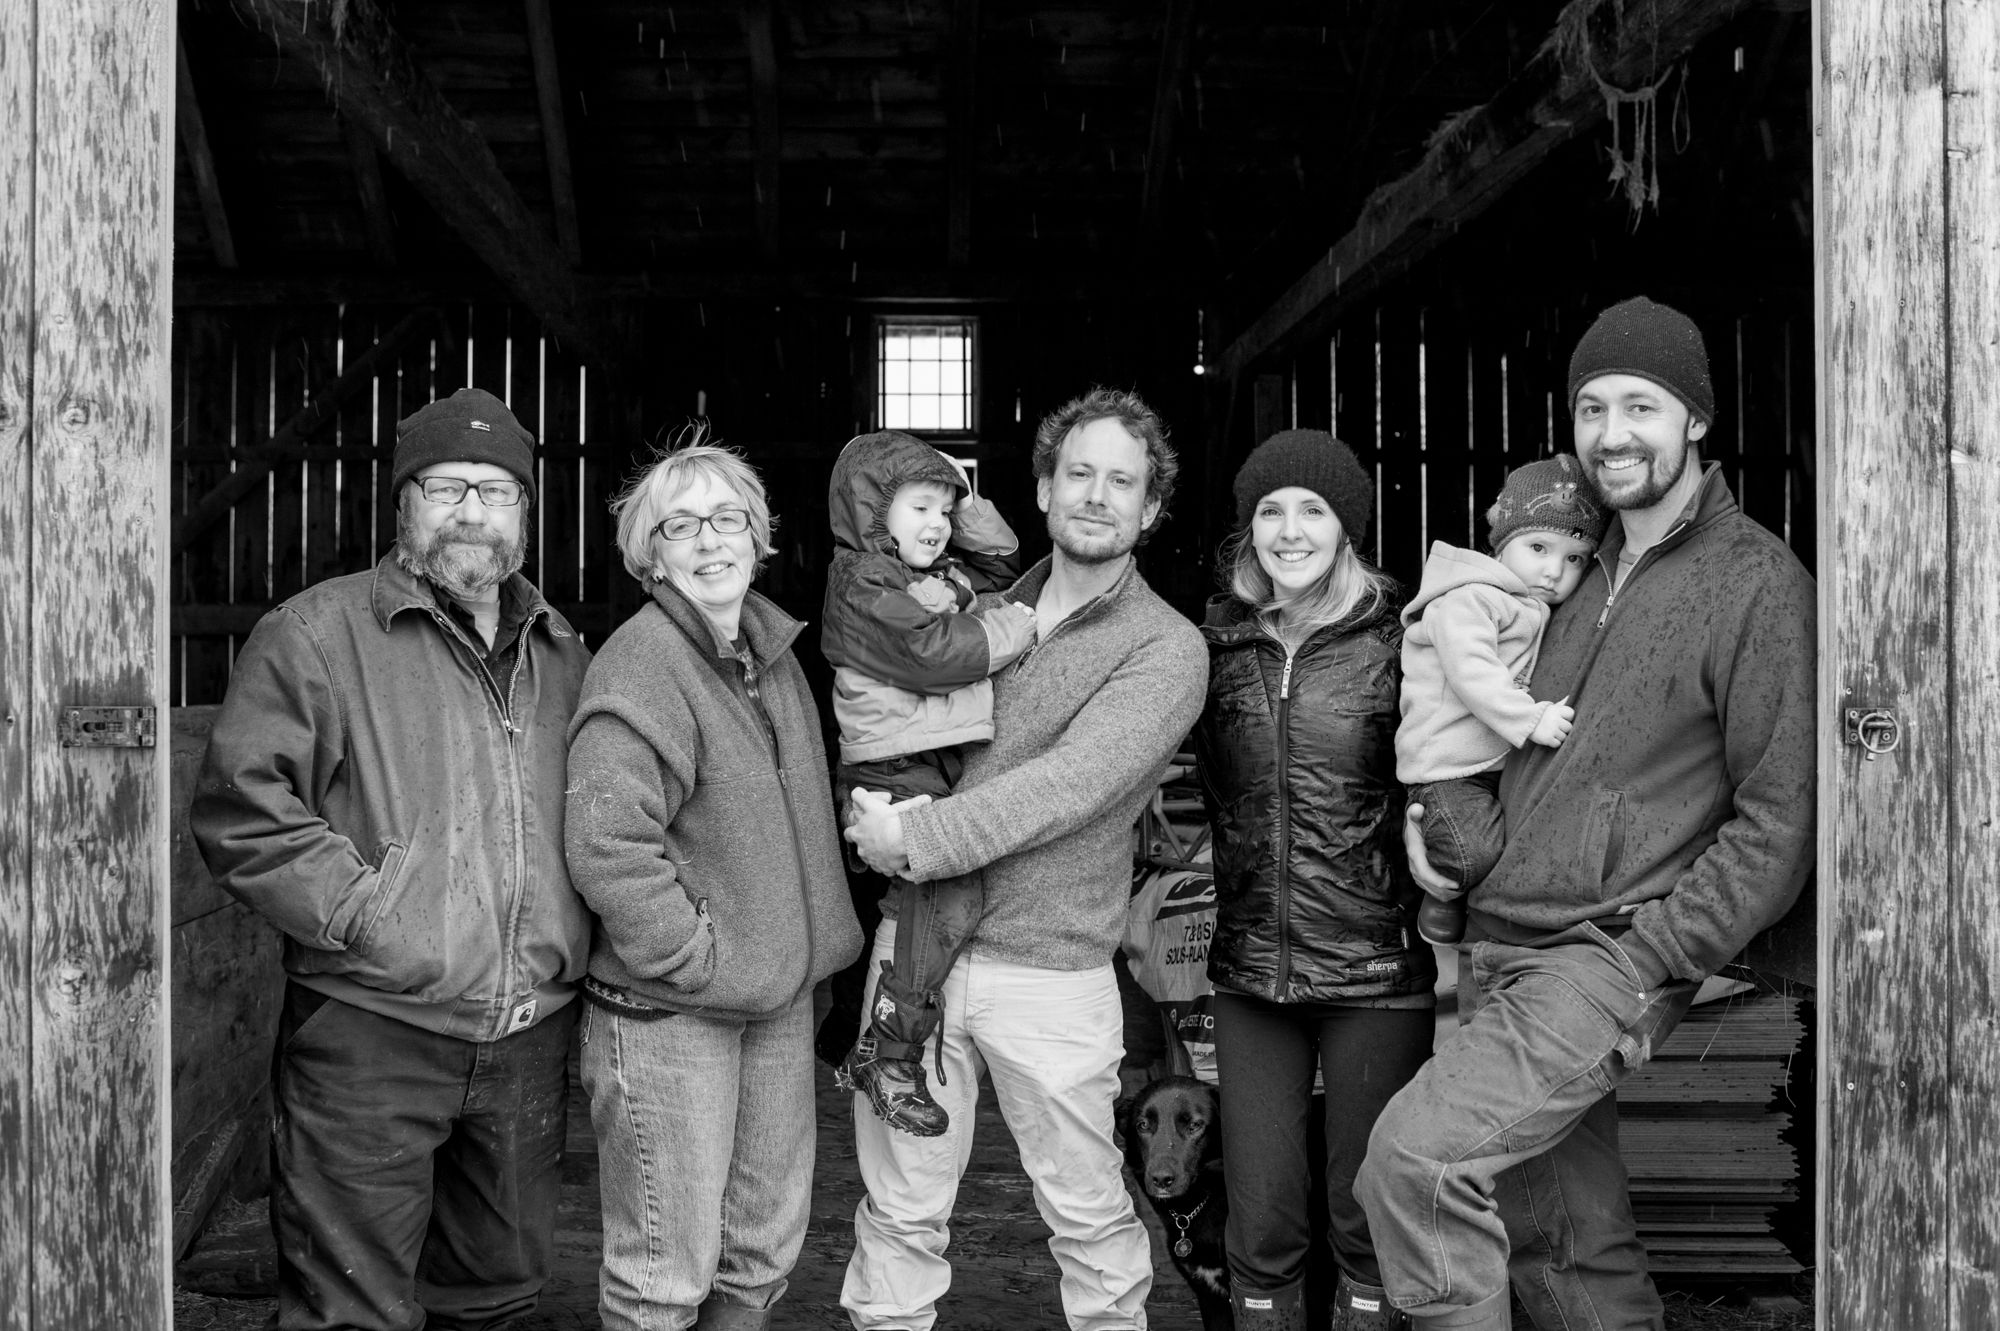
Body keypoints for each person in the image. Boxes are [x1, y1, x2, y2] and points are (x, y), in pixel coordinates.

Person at [1354, 296, 1817, 1331]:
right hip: (1500, 939)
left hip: (1603, 953)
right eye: (1592, 407)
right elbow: (1476, 725)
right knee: (1564, 1250)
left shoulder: (1754, 583)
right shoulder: (1560, 568)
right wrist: (1435, 830)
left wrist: (1658, 950)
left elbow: (1777, 817)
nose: (1612, 433)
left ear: (1695, 417)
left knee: (1416, 1164)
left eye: (1641, 406)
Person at [190, 386, 592, 1331]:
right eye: (447, 488)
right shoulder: (316, 634)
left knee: (496, 1297)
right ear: (404, 502)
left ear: (526, 512)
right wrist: (374, 914)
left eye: (497, 492)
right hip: (371, 1030)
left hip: (529, 1035)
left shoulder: (565, 651)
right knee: (351, 1305)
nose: (472, 512)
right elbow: (243, 807)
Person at [840, 386, 1208, 1331]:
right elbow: (891, 722)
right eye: (1078, 473)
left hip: (1049, 967)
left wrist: (914, 838)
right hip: (917, 948)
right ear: (1043, 489)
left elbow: (1068, 785)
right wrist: (868, 797)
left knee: (1088, 1217)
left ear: (1151, 509)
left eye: (1121, 481)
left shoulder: (1166, 648)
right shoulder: (970, 609)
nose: (1096, 495)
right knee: (899, 1213)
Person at [561, 436, 864, 1331]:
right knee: (664, 1270)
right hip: (673, 1008)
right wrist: (697, 957)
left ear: (757, 536)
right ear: (650, 555)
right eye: (681, 526)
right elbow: (607, 840)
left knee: (759, 1251)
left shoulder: (772, 654)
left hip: (774, 998)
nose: (709, 540)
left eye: (728, 519)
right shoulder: (644, 662)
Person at [1194, 429, 1439, 1331]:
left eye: (1312, 510)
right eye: (1270, 510)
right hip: (1252, 973)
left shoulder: (1405, 641)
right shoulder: (1216, 646)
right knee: (1261, 1219)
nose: (1289, 530)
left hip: (1376, 973)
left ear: (1347, 529)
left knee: (1365, 1211)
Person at [820, 429, 1037, 1137]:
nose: (937, 523)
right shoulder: (863, 583)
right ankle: (891, 1052)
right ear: (871, 513)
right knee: (949, 888)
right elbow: (932, 653)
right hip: (892, 762)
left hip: (921, 755)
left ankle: (865, 1040)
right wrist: (1012, 633)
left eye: (944, 510)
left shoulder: (929, 573)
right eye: (920, 507)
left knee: (932, 895)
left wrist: (963, 504)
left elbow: (1001, 568)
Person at [1394, 456, 1609, 945]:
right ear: (1502, 542)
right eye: (1538, 547)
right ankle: (1441, 894)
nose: (1554, 571)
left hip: (1492, 764)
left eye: (1575, 558)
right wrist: (1530, 720)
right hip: (1447, 769)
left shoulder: (1530, 604)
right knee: (1473, 852)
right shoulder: (1470, 598)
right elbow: (1472, 672)